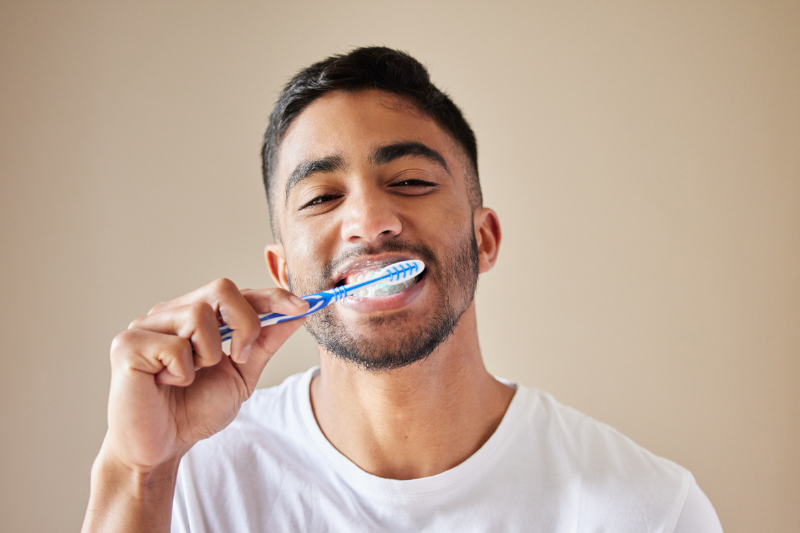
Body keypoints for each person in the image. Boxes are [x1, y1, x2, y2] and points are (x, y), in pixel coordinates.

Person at [82, 47, 723, 532]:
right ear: (282, 274)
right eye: (322, 197)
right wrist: (137, 473)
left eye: (411, 181)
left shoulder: (649, 510)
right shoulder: (193, 483)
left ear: (485, 239)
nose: (368, 220)